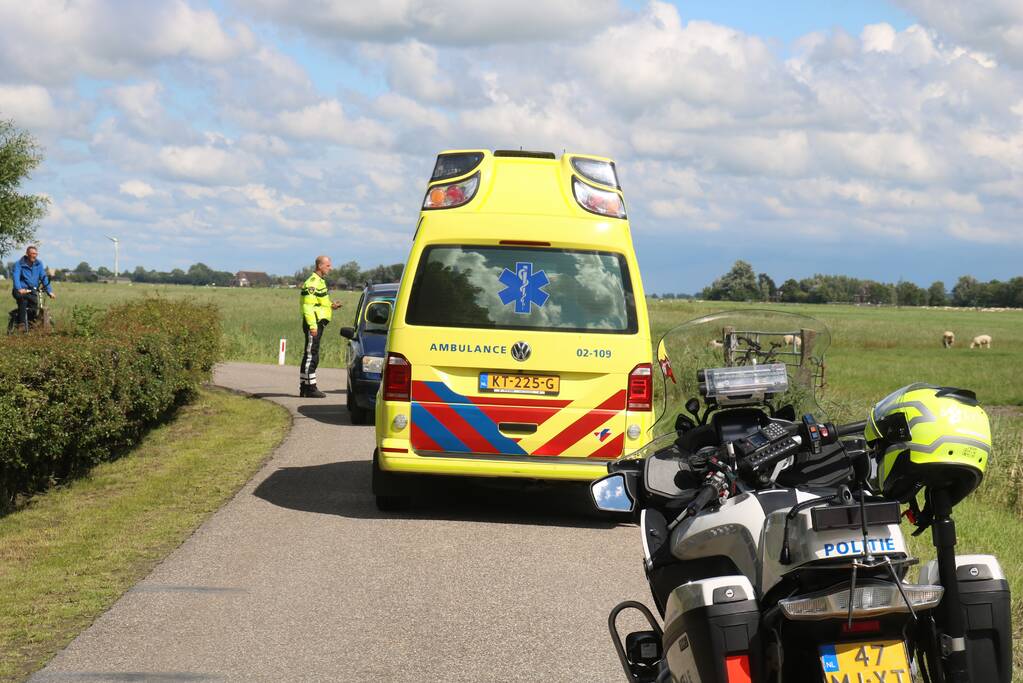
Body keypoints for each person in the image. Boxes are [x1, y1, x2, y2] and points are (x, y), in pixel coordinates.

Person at [299, 255, 342, 398]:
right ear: (320, 266)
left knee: (312, 354)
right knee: (311, 355)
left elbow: (319, 302)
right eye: (328, 265)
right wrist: (312, 326)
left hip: (318, 322)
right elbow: (308, 307)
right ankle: (310, 388)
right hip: (314, 323)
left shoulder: (320, 281)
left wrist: (331, 305)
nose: (330, 268)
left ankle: (305, 387)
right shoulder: (312, 283)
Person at [11, 245, 55, 332]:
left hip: (32, 290)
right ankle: (22, 324)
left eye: (36, 254)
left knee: (34, 308)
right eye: (32, 254)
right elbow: (16, 277)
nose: (35, 256)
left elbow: (43, 277)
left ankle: (31, 327)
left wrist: (49, 291)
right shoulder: (19, 264)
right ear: (27, 254)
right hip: (20, 290)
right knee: (23, 300)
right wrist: (19, 289)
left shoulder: (39, 264)